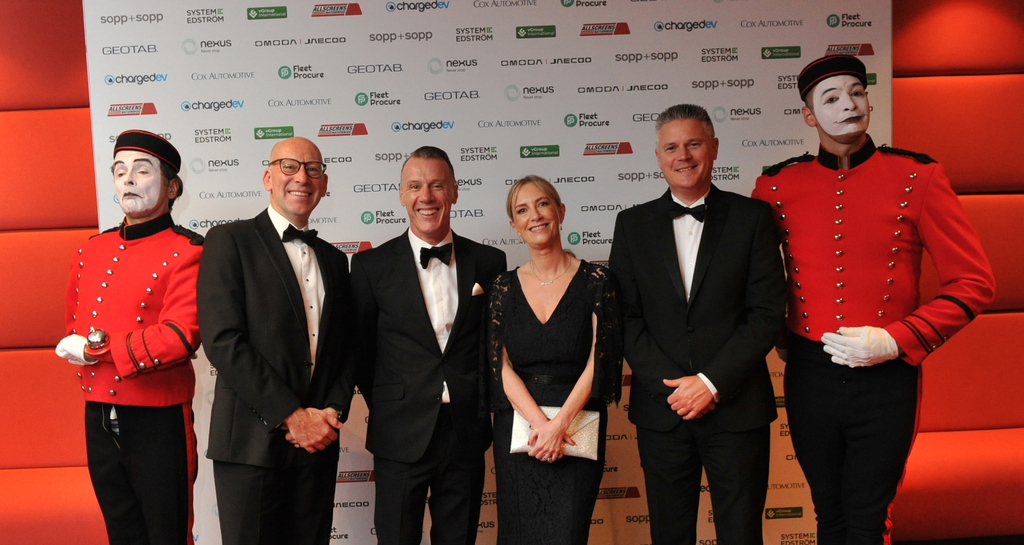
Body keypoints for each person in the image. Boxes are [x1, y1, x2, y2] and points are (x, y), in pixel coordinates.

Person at [751, 55, 995, 545]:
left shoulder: (918, 177)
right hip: (810, 374)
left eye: (857, 92)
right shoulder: (776, 186)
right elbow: (754, 279)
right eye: (832, 98)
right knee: (828, 514)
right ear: (809, 116)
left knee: (868, 519)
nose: (849, 104)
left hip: (887, 376)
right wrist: (779, 334)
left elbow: (974, 282)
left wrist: (896, 339)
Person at [609, 104, 787, 545]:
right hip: (663, 411)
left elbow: (766, 313)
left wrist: (709, 383)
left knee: (742, 534)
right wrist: (677, 390)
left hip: (737, 408)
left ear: (714, 148)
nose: (683, 156)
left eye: (693, 144)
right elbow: (625, 318)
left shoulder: (753, 218)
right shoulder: (631, 225)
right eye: (671, 147)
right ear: (658, 156)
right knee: (669, 535)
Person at [197, 137, 355, 545]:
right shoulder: (229, 240)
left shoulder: (336, 261)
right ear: (268, 177)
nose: (302, 177)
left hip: (317, 447)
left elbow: (345, 350)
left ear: (324, 184)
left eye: (313, 169)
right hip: (250, 447)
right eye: (289, 166)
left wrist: (330, 413)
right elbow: (223, 340)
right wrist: (292, 416)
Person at [350, 146, 507, 545]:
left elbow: (494, 346)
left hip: (466, 431)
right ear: (402, 194)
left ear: (454, 192)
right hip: (398, 431)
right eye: (415, 186)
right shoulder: (370, 266)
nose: (426, 196)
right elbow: (361, 351)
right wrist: (396, 398)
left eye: (437, 185)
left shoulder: (490, 262)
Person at [56, 130, 202, 545]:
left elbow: (179, 336)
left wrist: (96, 349)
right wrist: (86, 349)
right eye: (120, 172)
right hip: (98, 412)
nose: (129, 180)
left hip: (158, 416)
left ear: (172, 188)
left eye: (142, 170)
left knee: (167, 533)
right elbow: (72, 328)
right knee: (121, 533)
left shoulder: (189, 250)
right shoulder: (90, 250)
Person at [487, 175, 622, 545]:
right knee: (517, 535)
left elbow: (599, 360)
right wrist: (540, 426)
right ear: (514, 226)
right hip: (520, 432)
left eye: (543, 204)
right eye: (522, 210)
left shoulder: (597, 280)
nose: (534, 215)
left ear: (561, 211)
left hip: (577, 426)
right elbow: (500, 366)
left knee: (568, 535)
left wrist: (558, 426)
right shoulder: (502, 287)